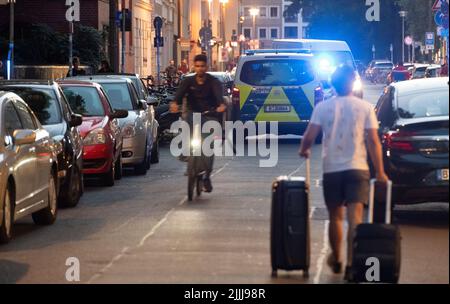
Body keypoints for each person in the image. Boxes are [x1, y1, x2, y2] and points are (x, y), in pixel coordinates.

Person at [298, 65, 389, 281]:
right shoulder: (365, 108)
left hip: (333, 169)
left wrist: (305, 149)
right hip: (358, 168)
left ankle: (337, 257)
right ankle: (351, 264)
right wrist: (381, 172)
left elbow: (309, 136)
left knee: (336, 217)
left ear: (333, 83)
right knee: (355, 219)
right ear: (353, 83)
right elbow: (374, 142)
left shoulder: (323, 107)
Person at [169, 54, 226, 193]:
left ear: (207, 67)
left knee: (209, 147)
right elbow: (179, 95)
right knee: (183, 133)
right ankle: (187, 156)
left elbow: (220, 98)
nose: (200, 69)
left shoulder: (214, 82)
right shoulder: (188, 81)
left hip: (209, 116)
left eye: (202, 66)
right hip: (192, 115)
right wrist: (175, 103)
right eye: (197, 66)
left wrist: (221, 106)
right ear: (194, 66)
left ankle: (207, 176)